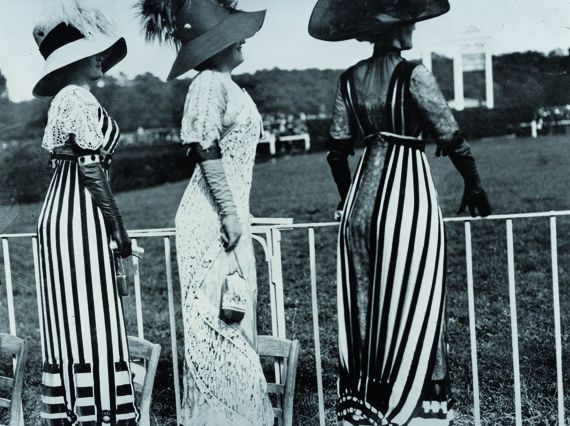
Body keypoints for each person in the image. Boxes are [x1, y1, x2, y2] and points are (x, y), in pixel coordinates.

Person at [309, 0, 492, 425]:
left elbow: (337, 152)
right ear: (391, 29)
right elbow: (449, 132)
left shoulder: (349, 79)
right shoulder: (413, 74)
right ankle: (417, 408)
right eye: (408, 21)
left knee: (364, 303)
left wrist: (346, 198)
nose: (414, 28)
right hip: (408, 200)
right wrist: (473, 181)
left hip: (358, 206)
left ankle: (367, 403)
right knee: (417, 297)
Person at [139, 0, 273, 424]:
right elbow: (203, 147)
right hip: (212, 217)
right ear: (215, 45)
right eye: (234, 34)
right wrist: (232, 214)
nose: (244, 38)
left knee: (234, 315)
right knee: (219, 322)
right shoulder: (209, 84)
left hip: (228, 216)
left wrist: (238, 215)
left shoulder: (229, 85)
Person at [33, 5, 138, 425]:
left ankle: (81, 410)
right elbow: (91, 168)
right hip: (79, 219)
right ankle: (96, 414)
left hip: (66, 215)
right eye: (93, 51)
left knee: (78, 317)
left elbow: (62, 165)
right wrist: (119, 232)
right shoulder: (75, 97)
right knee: (89, 314)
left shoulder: (69, 99)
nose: (101, 57)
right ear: (72, 58)